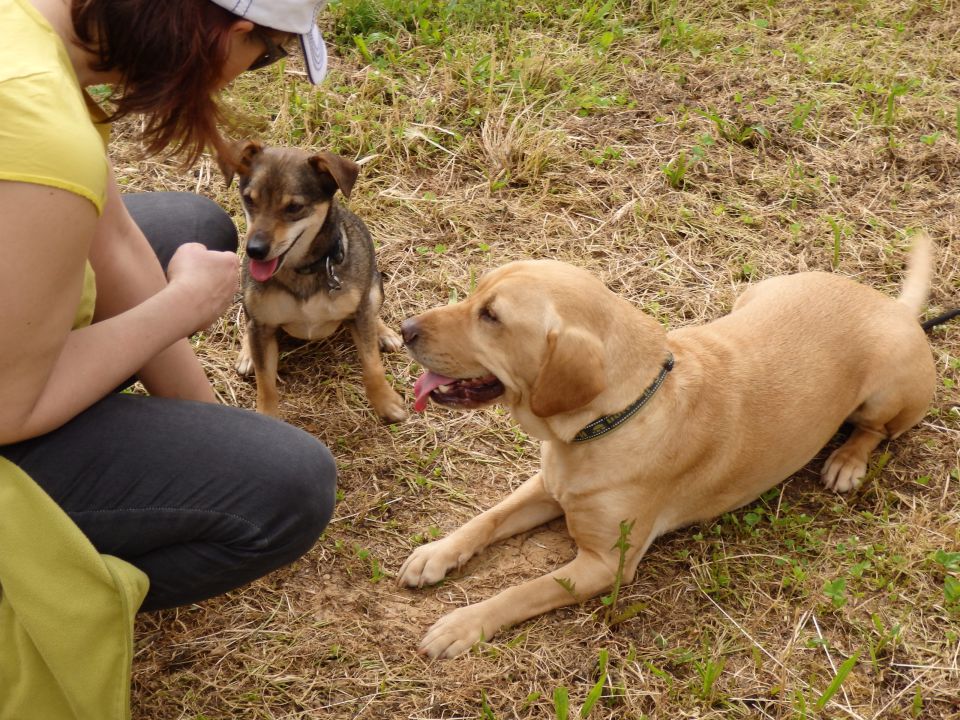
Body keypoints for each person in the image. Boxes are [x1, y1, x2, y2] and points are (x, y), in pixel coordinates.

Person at [0, 0, 336, 614]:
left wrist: (221, 432)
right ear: (232, 36)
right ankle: (33, 602)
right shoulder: (39, 129)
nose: (249, 72)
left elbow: (116, 240)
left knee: (192, 224)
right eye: (268, 57)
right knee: (289, 484)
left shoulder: (28, 32)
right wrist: (180, 306)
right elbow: (8, 407)